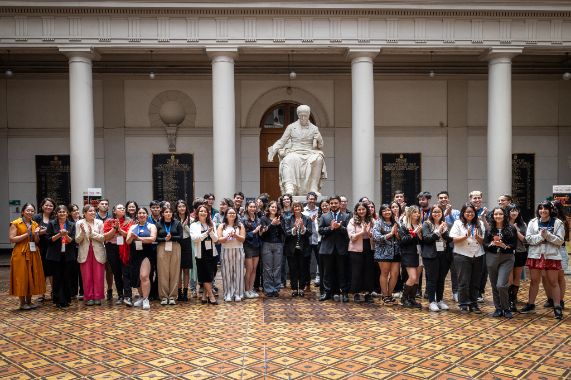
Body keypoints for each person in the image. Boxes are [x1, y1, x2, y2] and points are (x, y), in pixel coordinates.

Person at [267, 104, 327, 195]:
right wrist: (273, 150)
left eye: (305, 116)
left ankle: (313, 188)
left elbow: (320, 146)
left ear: (308, 115)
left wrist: (319, 139)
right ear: (298, 115)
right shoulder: (291, 127)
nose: (303, 118)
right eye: (301, 116)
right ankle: (289, 187)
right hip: (295, 151)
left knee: (318, 158)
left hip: (309, 151)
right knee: (288, 159)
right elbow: (282, 141)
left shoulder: (314, 128)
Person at [522, 201, 565, 319]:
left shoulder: (558, 223)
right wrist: (541, 236)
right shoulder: (533, 222)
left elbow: (560, 241)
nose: (543, 211)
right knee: (534, 281)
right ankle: (530, 304)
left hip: (551, 256)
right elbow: (529, 239)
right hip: (535, 255)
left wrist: (548, 236)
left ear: (550, 210)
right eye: (540, 208)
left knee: (553, 282)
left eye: (546, 208)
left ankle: (557, 307)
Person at [449, 203, 486, 313]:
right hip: (462, 255)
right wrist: (466, 235)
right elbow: (454, 239)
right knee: (463, 281)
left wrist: (479, 238)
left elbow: (483, 241)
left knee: (475, 281)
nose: (470, 214)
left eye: (472, 212)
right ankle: (463, 304)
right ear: (463, 213)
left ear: (475, 213)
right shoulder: (458, 223)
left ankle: (474, 304)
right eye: (467, 212)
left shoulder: (480, 223)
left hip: (478, 254)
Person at [9, 203, 45, 310]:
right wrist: (27, 233)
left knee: (32, 275)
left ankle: (29, 301)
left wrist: (36, 234)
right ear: (23, 212)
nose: (30, 212)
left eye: (32, 211)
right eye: (28, 210)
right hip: (20, 252)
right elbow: (12, 239)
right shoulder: (16, 223)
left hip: (33, 251)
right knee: (22, 276)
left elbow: (37, 241)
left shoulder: (34, 224)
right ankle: (22, 303)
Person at [484, 207, 517, 318]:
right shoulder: (489, 229)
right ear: (493, 216)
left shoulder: (511, 228)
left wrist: (503, 245)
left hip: (507, 258)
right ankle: (498, 308)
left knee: (501, 285)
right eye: (496, 214)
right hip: (491, 257)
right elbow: (485, 244)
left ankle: (506, 308)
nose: (498, 216)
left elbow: (514, 245)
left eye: (500, 214)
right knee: (494, 285)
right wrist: (491, 245)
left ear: (504, 215)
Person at [421, 204, 453, 312]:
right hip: (430, 255)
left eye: (439, 212)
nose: (436, 214)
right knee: (432, 279)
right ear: (431, 213)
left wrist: (444, 232)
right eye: (434, 212)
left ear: (442, 213)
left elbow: (448, 239)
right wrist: (438, 231)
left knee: (441, 279)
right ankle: (431, 302)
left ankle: (439, 300)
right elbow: (427, 239)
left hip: (443, 254)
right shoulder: (426, 224)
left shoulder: (445, 224)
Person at [318, 196, 350, 302]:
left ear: (340, 203)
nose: (333, 205)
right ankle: (327, 293)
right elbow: (320, 230)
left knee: (342, 272)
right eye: (331, 203)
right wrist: (331, 228)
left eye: (335, 203)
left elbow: (349, 232)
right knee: (327, 272)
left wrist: (339, 227)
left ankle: (344, 293)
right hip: (327, 249)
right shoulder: (324, 216)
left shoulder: (346, 216)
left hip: (341, 248)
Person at [126, 207, 157, 310]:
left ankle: (146, 299)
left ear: (147, 215)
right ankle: (142, 296)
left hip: (146, 254)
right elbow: (128, 241)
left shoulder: (151, 226)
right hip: (135, 254)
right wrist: (132, 237)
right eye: (139, 213)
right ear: (137, 215)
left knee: (144, 276)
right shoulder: (133, 227)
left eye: (144, 213)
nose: (141, 215)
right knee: (137, 278)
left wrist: (139, 238)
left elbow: (152, 238)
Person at [75, 204, 106, 306]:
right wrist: (83, 233)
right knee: (86, 275)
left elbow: (102, 238)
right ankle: (88, 297)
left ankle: (97, 297)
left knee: (99, 275)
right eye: (90, 211)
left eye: (93, 211)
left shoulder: (99, 222)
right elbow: (77, 240)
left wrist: (92, 233)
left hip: (98, 251)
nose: (93, 213)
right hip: (85, 251)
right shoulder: (79, 223)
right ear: (84, 213)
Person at [46, 205, 76, 308]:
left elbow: (72, 241)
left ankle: (67, 300)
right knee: (57, 278)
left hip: (68, 255)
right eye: (60, 212)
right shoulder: (51, 223)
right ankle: (58, 300)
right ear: (56, 213)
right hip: (55, 255)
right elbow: (48, 240)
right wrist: (59, 234)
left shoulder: (72, 224)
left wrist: (66, 235)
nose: (62, 213)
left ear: (67, 213)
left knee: (66, 277)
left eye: (64, 212)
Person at [189, 205, 219, 305]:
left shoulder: (212, 224)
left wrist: (210, 233)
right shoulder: (194, 225)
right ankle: (211, 296)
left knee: (211, 274)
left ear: (208, 213)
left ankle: (204, 295)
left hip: (212, 253)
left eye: (205, 211)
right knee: (205, 275)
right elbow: (195, 238)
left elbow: (216, 240)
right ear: (197, 213)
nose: (203, 213)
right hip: (201, 254)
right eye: (201, 211)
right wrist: (207, 233)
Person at [103, 204, 131, 305]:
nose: (122, 209)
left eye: (123, 208)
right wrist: (114, 229)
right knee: (117, 273)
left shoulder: (129, 221)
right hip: (112, 249)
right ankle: (120, 295)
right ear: (114, 211)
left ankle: (128, 296)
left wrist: (120, 230)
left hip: (125, 248)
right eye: (120, 208)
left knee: (126, 273)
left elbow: (129, 235)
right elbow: (105, 237)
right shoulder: (108, 221)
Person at [373, 204, 400, 305]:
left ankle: (389, 294)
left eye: (389, 210)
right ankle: (384, 295)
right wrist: (391, 234)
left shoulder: (396, 222)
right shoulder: (378, 223)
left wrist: (397, 234)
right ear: (381, 213)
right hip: (383, 253)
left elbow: (402, 234)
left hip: (396, 252)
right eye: (384, 211)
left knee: (395, 274)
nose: (387, 212)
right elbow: (376, 238)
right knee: (385, 274)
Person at [347, 202, 374, 303]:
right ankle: (356, 293)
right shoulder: (352, 220)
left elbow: (375, 236)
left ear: (367, 210)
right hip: (355, 249)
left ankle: (368, 293)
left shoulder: (371, 220)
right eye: (359, 210)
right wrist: (362, 232)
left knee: (368, 271)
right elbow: (352, 237)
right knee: (356, 271)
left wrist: (369, 232)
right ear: (356, 211)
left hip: (369, 247)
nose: (361, 211)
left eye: (363, 209)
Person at [217, 207, 246, 302]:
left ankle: (238, 294)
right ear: (226, 215)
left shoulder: (240, 225)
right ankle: (228, 294)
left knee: (238, 272)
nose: (232, 215)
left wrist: (236, 235)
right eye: (230, 213)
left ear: (236, 215)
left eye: (234, 213)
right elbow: (219, 240)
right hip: (226, 251)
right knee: (227, 273)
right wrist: (227, 237)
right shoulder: (222, 226)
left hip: (238, 250)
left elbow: (243, 239)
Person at [284, 201, 312, 297]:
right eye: (295, 207)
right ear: (293, 208)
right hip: (292, 249)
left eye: (298, 207)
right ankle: (294, 288)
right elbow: (286, 233)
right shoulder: (288, 219)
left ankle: (301, 288)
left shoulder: (307, 219)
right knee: (293, 269)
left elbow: (310, 233)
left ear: (301, 208)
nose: (297, 209)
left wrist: (303, 227)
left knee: (302, 269)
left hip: (304, 248)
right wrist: (294, 228)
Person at [156, 205, 183, 305]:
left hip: (175, 247)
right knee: (163, 272)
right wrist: (164, 239)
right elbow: (155, 238)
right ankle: (163, 296)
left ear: (172, 213)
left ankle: (172, 296)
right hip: (162, 247)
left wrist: (171, 237)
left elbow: (181, 237)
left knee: (174, 272)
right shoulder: (158, 224)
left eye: (170, 212)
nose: (168, 214)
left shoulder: (177, 223)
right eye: (166, 212)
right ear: (162, 214)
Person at [398, 206, 423, 308]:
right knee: (412, 277)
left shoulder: (420, 225)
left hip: (420, 253)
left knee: (416, 278)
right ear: (410, 214)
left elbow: (423, 241)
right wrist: (414, 233)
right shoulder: (404, 226)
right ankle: (403, 299)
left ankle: (412, 299)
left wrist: (421, 236)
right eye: (414, 212)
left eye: (418, 212)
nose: (417, 214)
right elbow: (402, 241)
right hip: (408, 254)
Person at [260, 201, 285, 297]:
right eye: (272, 207)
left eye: (275, 207)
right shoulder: (264, 218)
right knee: (267, 268)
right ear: (269, 208)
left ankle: (276, 288)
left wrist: (278, 224)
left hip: (278, 244)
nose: (274, 208)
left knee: (277, 268)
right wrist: (272, 224)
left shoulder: (281, 218)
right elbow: (263, 234)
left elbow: (284, 233)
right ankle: (268, 289)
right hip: (267, 244)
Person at [506, 203, 527, 312]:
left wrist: (516, 230)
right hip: (508, 253)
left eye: (516, 210)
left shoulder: (522, 224)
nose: (514, 213)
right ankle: (509, 301)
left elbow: (525, 240)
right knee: (509, 278)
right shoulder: (503, 223)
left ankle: (513, 301)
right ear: (508, 212)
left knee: (517, 278)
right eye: (511, 210)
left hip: (520, 252)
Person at [33, 197, 55, 302]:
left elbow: (55, 231)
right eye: (46, 205)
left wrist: (43, 231)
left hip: (52, 247)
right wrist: (44, 231)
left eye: (50, 205)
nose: (48, 207)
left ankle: (53, 291)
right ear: (42, 206)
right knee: (41, 271)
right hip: (39, 247)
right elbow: (33, 232)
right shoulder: (37, 217)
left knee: (51, 270)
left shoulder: (55, 217)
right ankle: (41, 293)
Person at [96, 199, 114, 301]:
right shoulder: (94, 216)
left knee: (109, 269)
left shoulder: (111, 217)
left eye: (106, 204)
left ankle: (110, 289)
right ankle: (98, 291)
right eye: (102, 204)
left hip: (109, 246)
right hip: (97, 245)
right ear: (98, 205)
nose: (104, 205)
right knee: (98, 269)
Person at [242, 201, 262, 299]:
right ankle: (246, 290)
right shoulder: (243, 219)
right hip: (248, 246)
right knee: (249, 269)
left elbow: (260, 233)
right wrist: (254, 231)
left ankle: (250, 289)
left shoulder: (258, 219)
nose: (253, 208)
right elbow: (243, 235)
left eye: (254, 207)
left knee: (254, 269)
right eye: (251, 206)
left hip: (256, 245)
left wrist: (262, 231)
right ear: (247, 207)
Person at [175, 200, 193, 302]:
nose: (182, 208)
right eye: (179, 206)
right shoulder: (174, 219)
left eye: (183, 206)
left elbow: (192, 234)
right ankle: (179, 293)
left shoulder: (191, 219)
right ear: (177, 208)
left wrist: (185, 225)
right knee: (178, 270)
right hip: (177, 244)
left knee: (186, 270)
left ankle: (185, 292)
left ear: (186, 208)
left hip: (187, 244)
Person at [303, 192, 320, 290]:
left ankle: (321, 281)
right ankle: (307, 283)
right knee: (306, 262)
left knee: (320, 262)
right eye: (310, 199)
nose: (312, 201)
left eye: (313, 199)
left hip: (318, 240)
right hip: (307, 240)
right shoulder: (303, 211)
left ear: (316, 200)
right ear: (307, 200)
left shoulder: (320, 210)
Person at [68, 203, 83, 300]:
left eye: (77, 209)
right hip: (72, 249)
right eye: (73, 210)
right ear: (69, 213)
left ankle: (82, 291)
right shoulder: (68, 222)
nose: (76, 212)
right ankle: (73, 292)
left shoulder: (82, 221)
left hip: (82, 248)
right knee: (73, 271)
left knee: (82, 271)